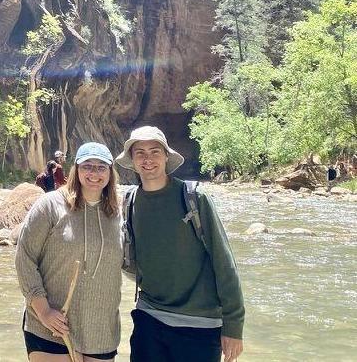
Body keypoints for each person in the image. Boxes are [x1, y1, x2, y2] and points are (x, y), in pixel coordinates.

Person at [115, 126, 245, 362]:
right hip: (149, 317)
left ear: (166, 156)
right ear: (132, 160)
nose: (148, 159)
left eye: (155, 152)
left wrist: (233, 326)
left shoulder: (194, 198)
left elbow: (224, 263)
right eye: (140, 153)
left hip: (200, 323)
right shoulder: (130, 201)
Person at [16, 142, 122, 360]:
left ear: (111, 173)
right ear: (76, 169)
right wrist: (43, 311)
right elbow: (24, 258)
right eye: (87, 166)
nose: (94, 173)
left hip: (101, 330)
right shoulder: (50, 205)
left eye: (102, 167)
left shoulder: (119, 212)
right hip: (51, 326)